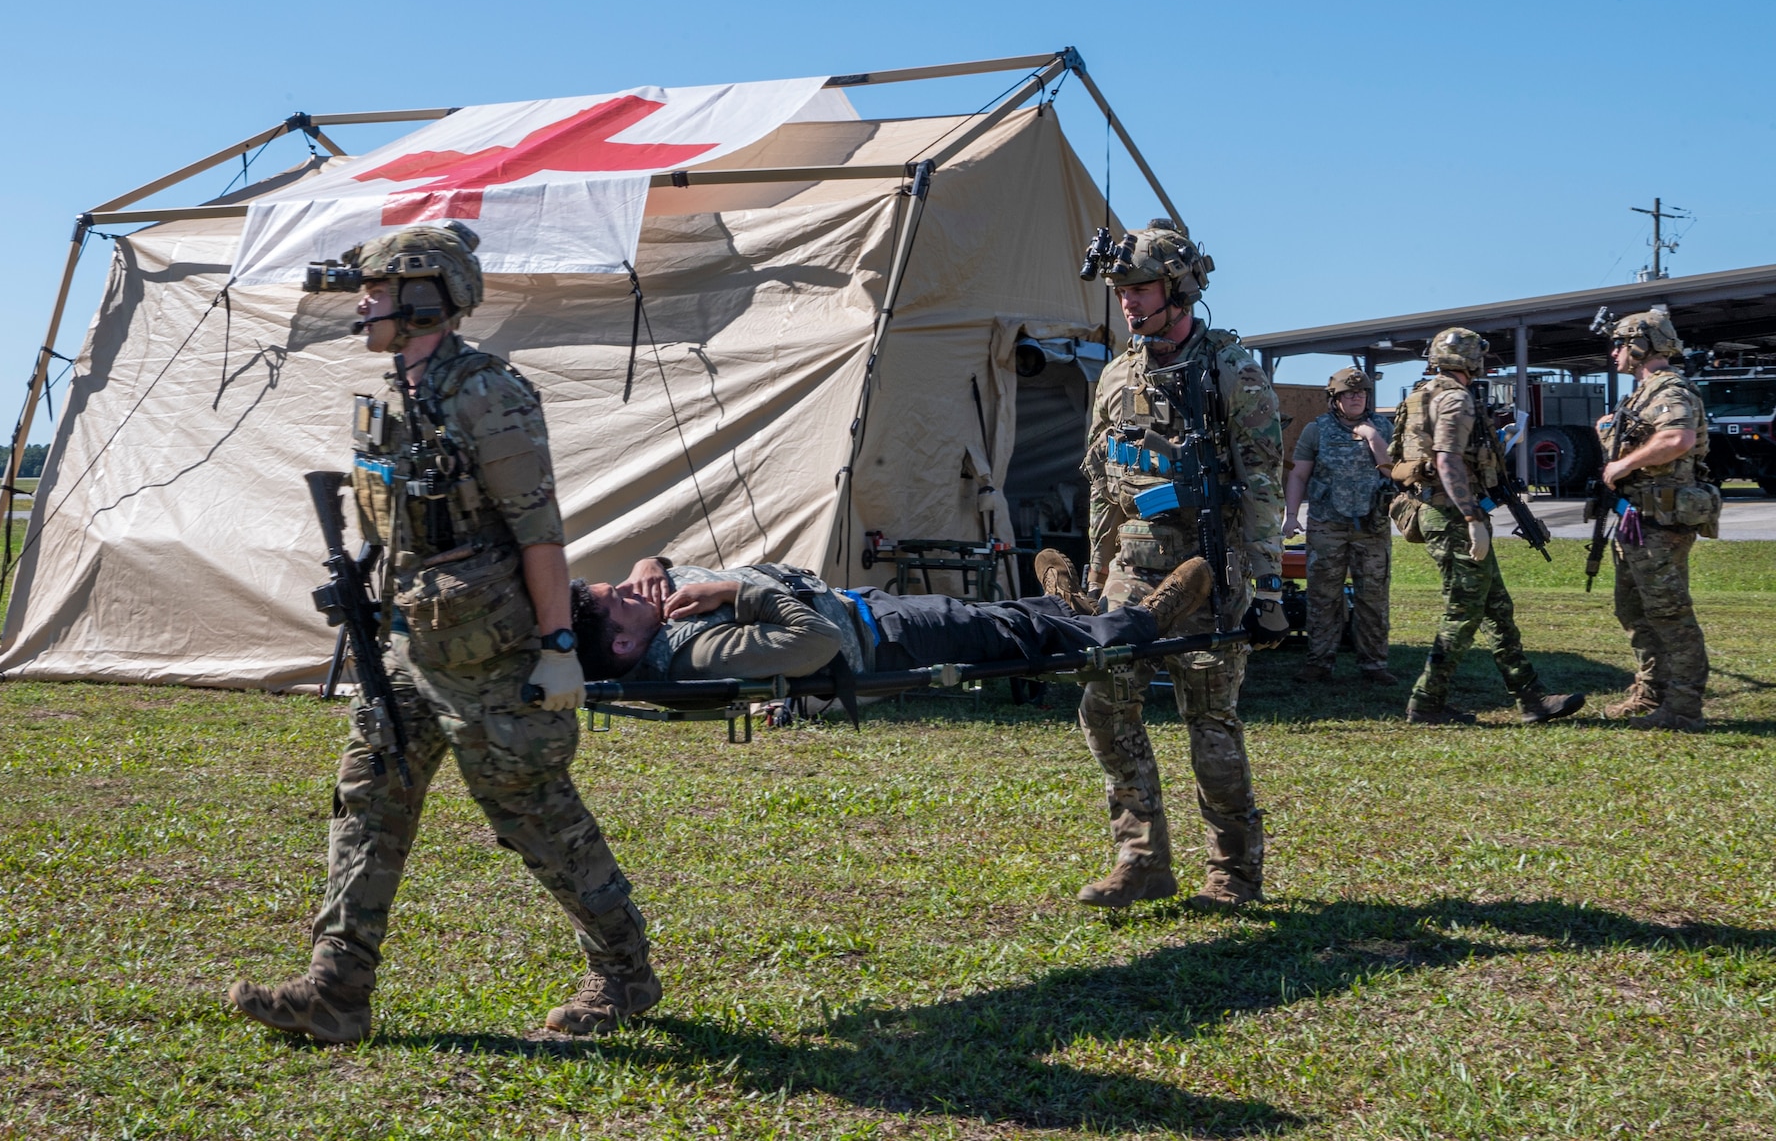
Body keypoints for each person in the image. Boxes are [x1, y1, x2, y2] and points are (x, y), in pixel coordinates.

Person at [227, 223, 658, 1044]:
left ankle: (625, 974)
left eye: (378, 293)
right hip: (409, 645)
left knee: (534, 813)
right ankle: (336, 990)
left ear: (426, 300)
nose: (364, 305)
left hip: (491, 652)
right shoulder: (396, 394)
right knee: (368, 802)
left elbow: (540, 534)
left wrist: (559, 648)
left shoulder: (487, 394)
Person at [1075, 219, 1290, 911]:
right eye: (1120, 291)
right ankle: (1141, 860)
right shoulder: (1115, 375)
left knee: (1210, 724)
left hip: (1207, 569)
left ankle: (1233, 872)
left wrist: (1265, 585)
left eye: (1138, 288)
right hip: (1131, 573)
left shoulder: (1232, 369)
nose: (1129, 303)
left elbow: (1261, 481)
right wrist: (1093, 572)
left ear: (1179, 287)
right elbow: (1103, 481)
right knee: (1104, 709)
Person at [569, 552, 1213, 696]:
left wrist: (654, 561)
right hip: (880, 641)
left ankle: (1069, 605)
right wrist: (740, 591)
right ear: (624, 643)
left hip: (864, 611)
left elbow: (663, 579)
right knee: (1006, 637)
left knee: (990, 615)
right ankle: (1138, 624)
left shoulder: (654, 626)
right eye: (620, 597)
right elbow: (812, 642)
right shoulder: (693, 659)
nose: (633, 589)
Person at [1388, 327, 1584, 727]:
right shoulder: (1456, 398)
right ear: (1469, 360)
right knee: (1463, 610)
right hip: (1453, 516)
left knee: (1496, 609)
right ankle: (1426, 701)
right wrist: (1473, 518)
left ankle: (1531, 698)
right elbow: (1447, 460)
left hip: (1440, 511)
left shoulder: (1420, 395)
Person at [1595, 310, 1715, 732]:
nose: (1614, 353)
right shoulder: (1642, 394)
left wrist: (1623, 465)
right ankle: (1652, 691)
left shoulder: (1669, 388)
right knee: (1633, 609)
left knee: (1669, 613)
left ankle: (1683, 707)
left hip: (1660, 522)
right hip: (1638, 519)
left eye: (1620, 344)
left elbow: (1676, 438)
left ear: (1641, 346)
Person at [1282, 366, 1395, 685]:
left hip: (1371, 526)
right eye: (1349, 393)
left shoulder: (1383, 428)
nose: (1356, 397)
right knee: (1323, 596)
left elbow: (1393, 473)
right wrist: (1291, 516)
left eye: (1361, 392)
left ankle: (1374, 664)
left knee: (1373, 597)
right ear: (1335, 398)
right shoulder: (1315, 430)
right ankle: (1319, 661)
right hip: (1327, 526)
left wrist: (1373, 438)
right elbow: (1299, 474)